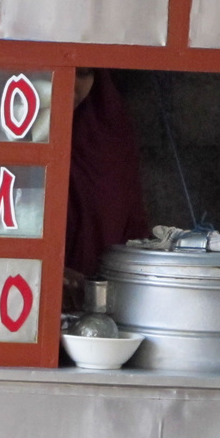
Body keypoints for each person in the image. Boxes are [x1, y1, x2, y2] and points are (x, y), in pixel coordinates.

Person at [63, 69, 151, 307]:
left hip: (95, 308)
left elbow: (131, 228)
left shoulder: (110, 135)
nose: (70, 87)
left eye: (83, 74)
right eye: (57, 72)